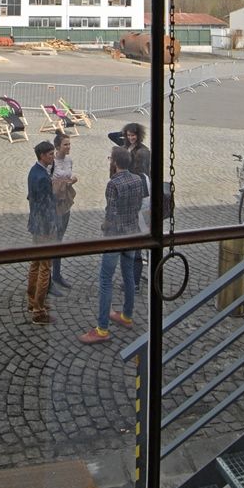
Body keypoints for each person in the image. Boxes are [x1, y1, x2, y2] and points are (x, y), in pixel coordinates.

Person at [79, 146, 143, 344]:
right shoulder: (138, 179)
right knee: (129, 275)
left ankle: (102, 329)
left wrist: (104, 227)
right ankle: (126, 316)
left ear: (115, 162)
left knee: (106, 280)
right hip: (132, 233)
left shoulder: (113, 184)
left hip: (115, 236)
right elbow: (138, 206)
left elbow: (111, 214)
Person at [108, 123, 150, 289]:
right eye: (129, 135)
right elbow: (111, 135)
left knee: (137, 240)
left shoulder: (142, 152)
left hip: (137, 197)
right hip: (127, 194)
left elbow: (141, 173)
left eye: (134, 135)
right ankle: (133, 278)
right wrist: (125, 134)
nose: (131, 138)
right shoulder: (126, 146)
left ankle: (135, 282)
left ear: (139, 136)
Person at [26, 141, 57, 325]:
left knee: (35, 263)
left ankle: (32, 301)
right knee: (45, 267)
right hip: (44, 228)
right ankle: (39, 310)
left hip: (36, 224)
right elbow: (47, 205)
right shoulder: (43, 177)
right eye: (51, 154)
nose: (53, 157)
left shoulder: (34, 171)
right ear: (43, 156)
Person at [50, 131, 77, 290]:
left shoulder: (69, 160)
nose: (68, 147)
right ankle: (48, 278)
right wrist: (62, 183)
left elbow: (69, 176)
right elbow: (49, 184)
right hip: (54, 205)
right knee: (52, 239)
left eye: (69, 144)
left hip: (65, 203)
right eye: (65, 144)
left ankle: (57, 274)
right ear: (57, 147)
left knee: (59, 239)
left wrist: (71, 181)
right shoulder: (51, 163)